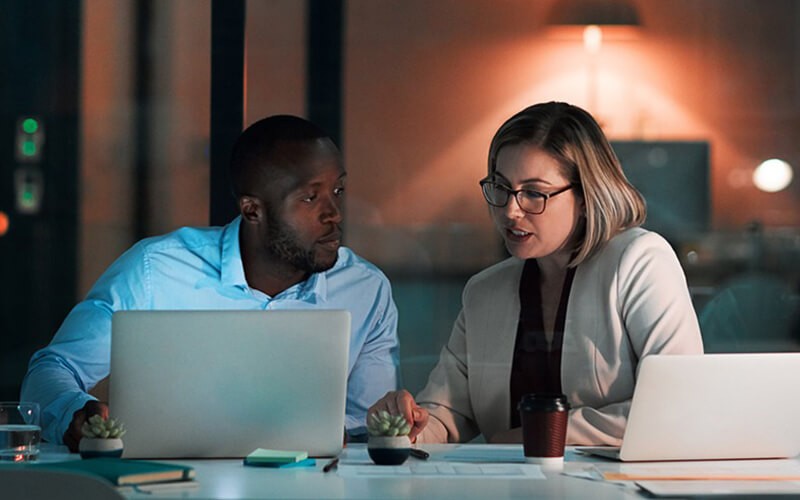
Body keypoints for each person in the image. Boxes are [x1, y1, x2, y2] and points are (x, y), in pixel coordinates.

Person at [22, 115, 399, 451]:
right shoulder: (156, 271)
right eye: (310, 197)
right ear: (253, 209)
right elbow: (51, 370)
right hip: (170, 490)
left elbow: (368, 427)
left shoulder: (366, 289)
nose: (333, 213)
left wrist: (369, 430)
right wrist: (76, 414)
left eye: (338, 191)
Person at [369, 101, 703, 446]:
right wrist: (406, 426)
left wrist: (539, 436)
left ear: (587, 195)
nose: (511, 210)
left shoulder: (640, 261)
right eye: (501, 187)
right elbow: (447, 413)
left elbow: (680, 403)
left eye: (534, 193)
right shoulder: (485, 291)